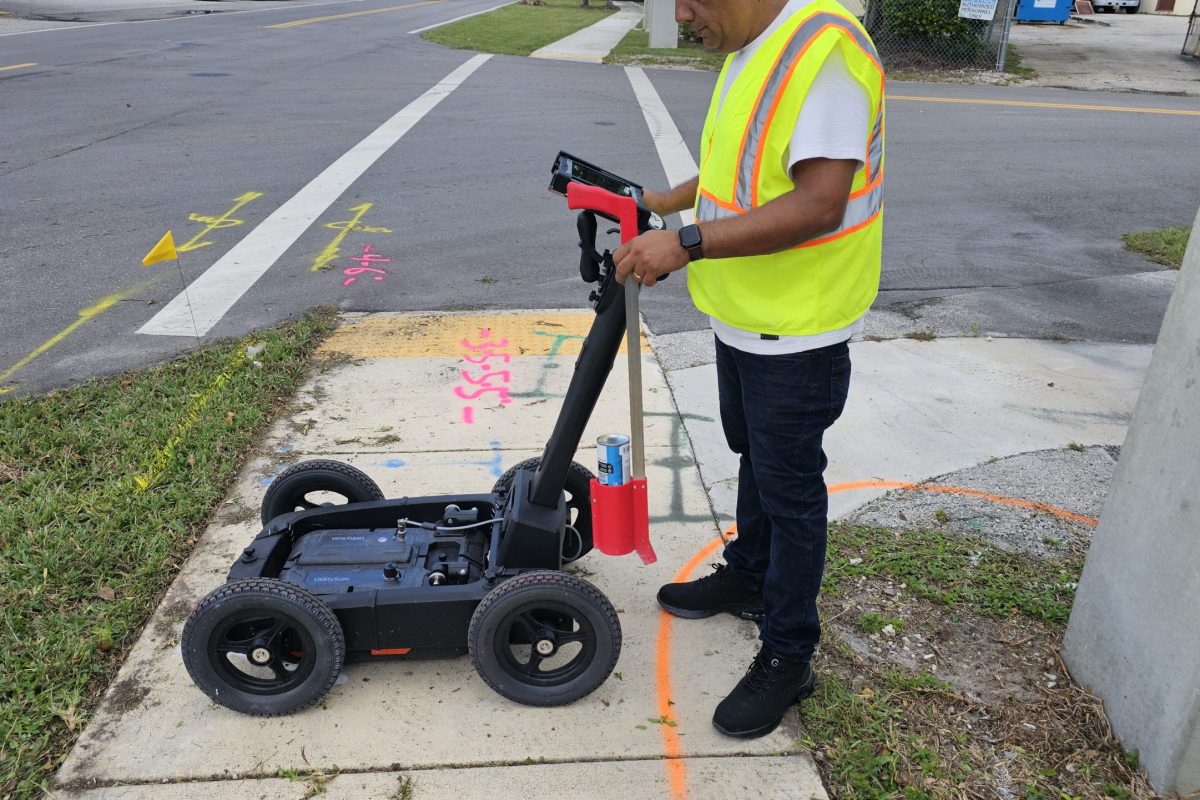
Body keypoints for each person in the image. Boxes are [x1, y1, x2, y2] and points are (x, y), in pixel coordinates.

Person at [612, 0, 885, 739]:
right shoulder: (752, 44)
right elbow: (741, 167)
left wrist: (687, 241)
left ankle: (790, 654)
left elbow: (820, 202)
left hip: (798, 327)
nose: (681, 14)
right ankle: (750, 574)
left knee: (790, 488)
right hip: (745, 314)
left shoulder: (822, 51)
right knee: (753, 456)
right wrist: (661, 202)